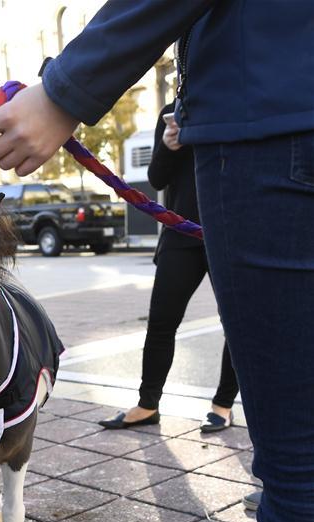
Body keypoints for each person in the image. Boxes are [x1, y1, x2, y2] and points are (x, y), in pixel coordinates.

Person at [0, 4, 314, 522]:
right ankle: (153, 397)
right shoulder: (171, 128)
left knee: (298, 466)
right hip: (234, 172)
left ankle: (215, 403)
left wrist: (62, 91)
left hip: (270, 131)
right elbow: (155, 173)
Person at [99, 101, 238, 433]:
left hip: (231, 233)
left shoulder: (237, 100)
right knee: (161, 322)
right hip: (180, 232)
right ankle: (148, 405)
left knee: (236, 326)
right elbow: (156, 178)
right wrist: (168, 145)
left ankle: (223, 405)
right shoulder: (176, 110)